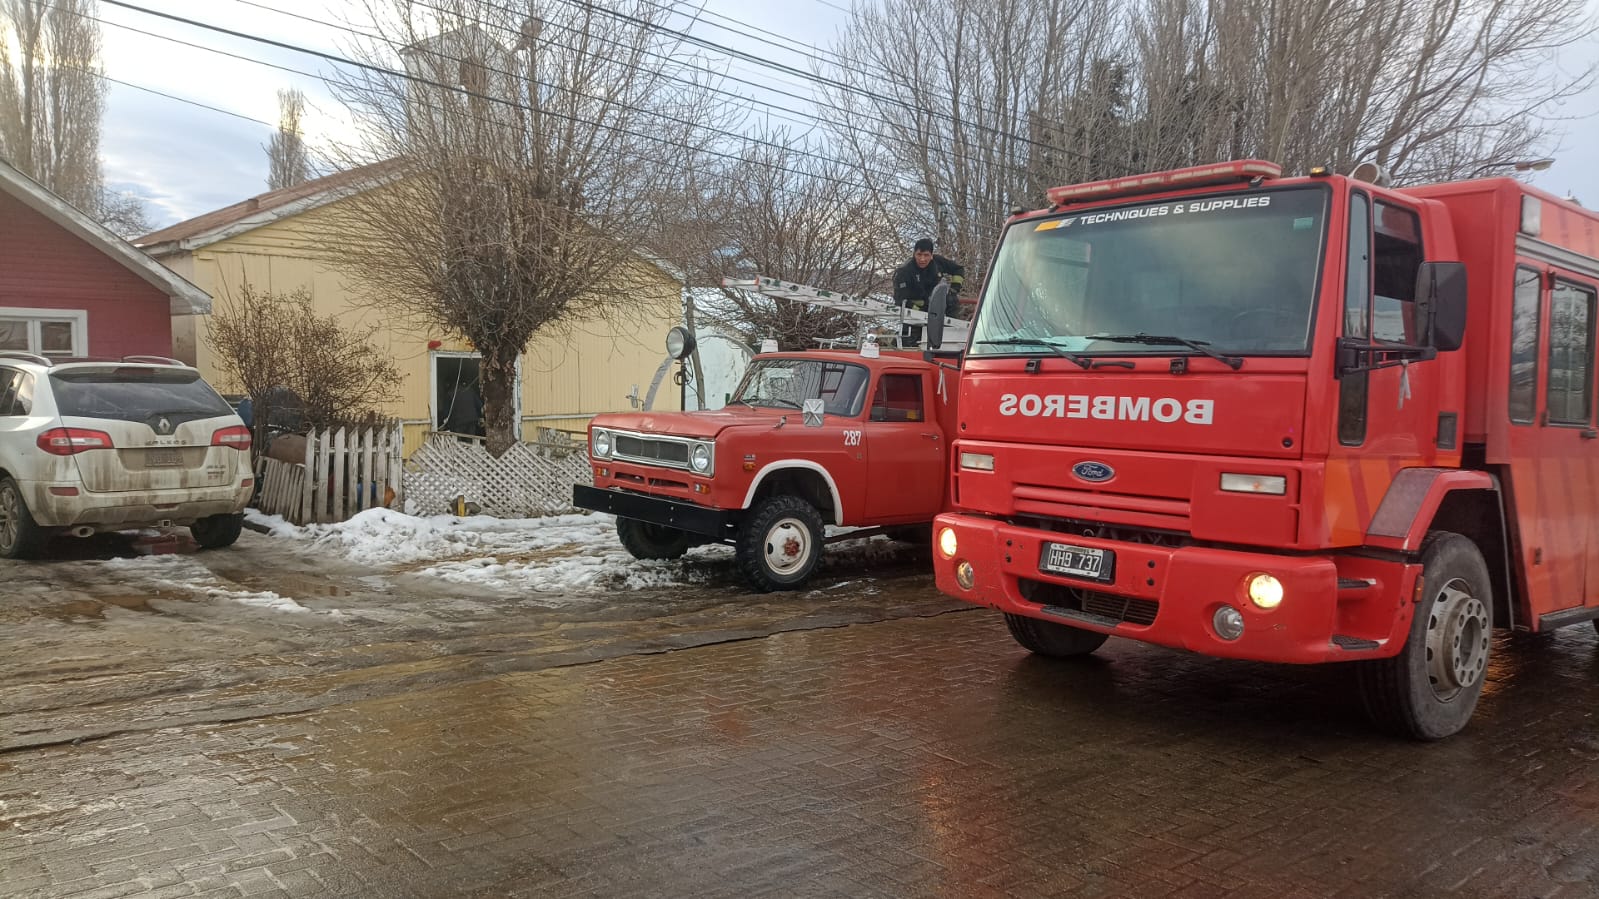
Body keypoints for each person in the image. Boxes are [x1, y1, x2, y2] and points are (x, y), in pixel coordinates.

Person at [893, 238, 965, 346]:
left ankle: (951, 332)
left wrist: (954, 289)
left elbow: (958, 269)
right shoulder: (904, 271)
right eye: (919, 254)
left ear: (931, 255)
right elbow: (900, 299)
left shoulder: (938, 262)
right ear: (914, 254)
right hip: (914, 310)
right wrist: (920, 310)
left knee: (951, 299)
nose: (922, 259)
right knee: (909, 341)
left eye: (926, 255)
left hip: (935, 306)